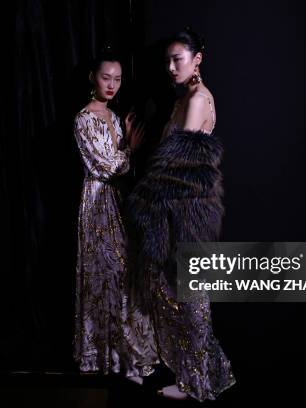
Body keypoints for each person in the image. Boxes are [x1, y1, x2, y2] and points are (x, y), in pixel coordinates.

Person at [126, 28, 237, 401]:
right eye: (168, 61)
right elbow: (165, 157)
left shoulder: (198, 100)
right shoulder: (182, 99)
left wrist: (150, 201)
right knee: (171, 293)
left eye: (179, 59)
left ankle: (200, 384)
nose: (172, 67)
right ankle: (191, 376)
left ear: (197, 58)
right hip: (171, 207)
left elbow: (177, 165)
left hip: (186, 209)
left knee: (191, 299)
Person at [72, 49, 159, 384]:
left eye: (117, 79)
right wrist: (130, 152)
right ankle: (105, 356)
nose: (112, 84)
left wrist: (127, 148)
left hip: (119, 201)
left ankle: (126, 354)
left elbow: (119, 164)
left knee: (124, 276)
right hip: (97, 202)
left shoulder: (116, 114)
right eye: (106, 77)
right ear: (92, 77)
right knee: (103, 274)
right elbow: (105, 166)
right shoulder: (83, 118)